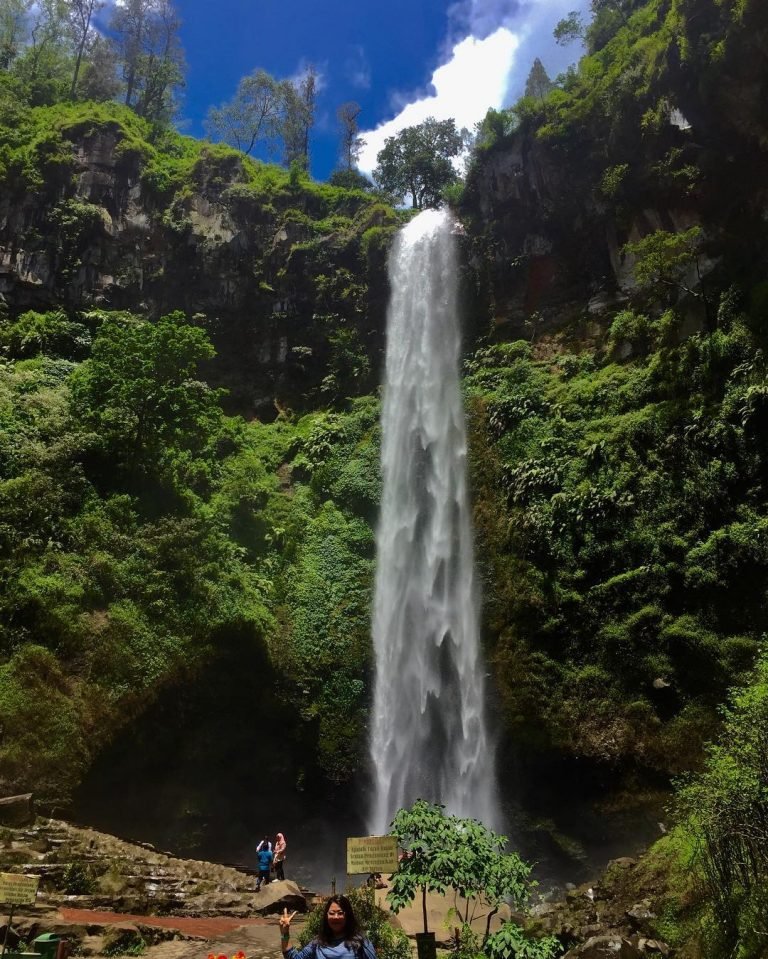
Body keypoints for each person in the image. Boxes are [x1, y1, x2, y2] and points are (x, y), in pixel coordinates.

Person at [279, 896, 376, 959]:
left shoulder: (360, 943)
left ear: (348, 915)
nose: (336, 917)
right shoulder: (318, 943)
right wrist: (285, 933)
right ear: (326, 916)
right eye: (332, 913)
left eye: (340, 913)